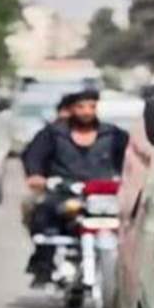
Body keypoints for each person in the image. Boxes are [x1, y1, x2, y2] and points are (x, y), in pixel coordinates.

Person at [21, 89, 129, 286]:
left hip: (103, 196)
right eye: (81, 107)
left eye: (91, 106)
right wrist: (36, 176)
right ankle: (44, 263)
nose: (87, 112)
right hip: (65, 194)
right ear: (71, 109)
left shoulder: (113, 135)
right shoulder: (53, 134)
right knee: (43, 214)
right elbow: (34, 157)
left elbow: (132, 159)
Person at [19, 94, 74, 228]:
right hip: (56, 188)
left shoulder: (102, 134)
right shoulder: (48, 134)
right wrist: (36, 175)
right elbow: (33, 156)